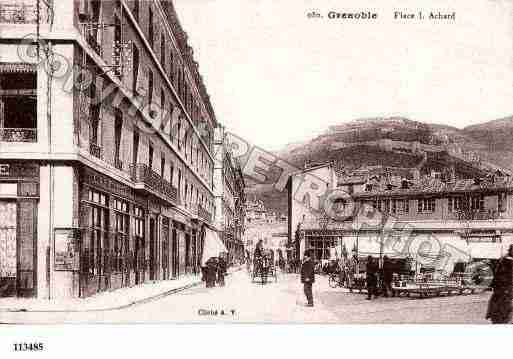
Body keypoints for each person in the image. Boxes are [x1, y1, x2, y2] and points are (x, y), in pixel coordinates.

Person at [486, 244, 513, 324]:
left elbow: (495, 280)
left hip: (500, 295)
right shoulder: (508, 262)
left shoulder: (502, 261)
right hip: (505, 295)